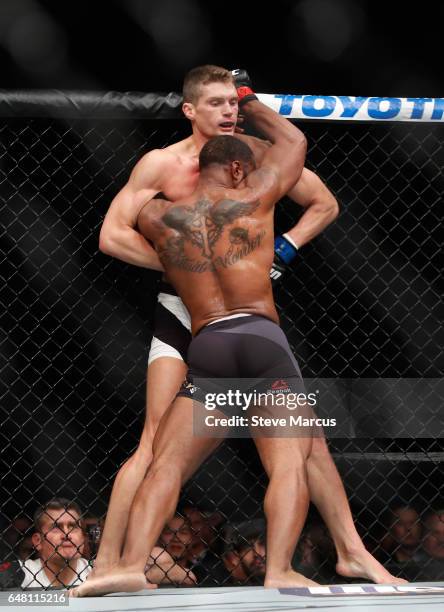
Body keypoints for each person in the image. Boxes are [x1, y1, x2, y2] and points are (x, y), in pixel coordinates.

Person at [92, 65, 401, 586]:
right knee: (159, 441)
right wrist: (180, 266)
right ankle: (111, 563)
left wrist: (285, 246)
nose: (230, 111)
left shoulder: (251, 154)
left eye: (234, 103)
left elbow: (324, 203)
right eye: (217, 103)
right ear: (190, 110)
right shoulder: (171, 165)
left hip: (219, 322)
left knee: (300, 446)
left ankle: (353, 551)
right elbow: (110, 236)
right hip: (194, 311)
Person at [21, 498, 91, 588]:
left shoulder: (96, 571)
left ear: (83, 538)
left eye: (73, 526)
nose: (66, 534)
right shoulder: (22, 573)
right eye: (56, 527)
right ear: (38, 541)